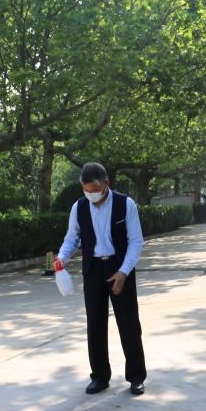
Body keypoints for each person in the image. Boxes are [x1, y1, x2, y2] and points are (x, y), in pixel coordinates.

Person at [55, 162, 147, 396]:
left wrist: (124, 272)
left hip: (120, 267)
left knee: (129, 323)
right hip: (93, 269)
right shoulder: (79, 207)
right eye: (86, 190)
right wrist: (61, 257)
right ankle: (99, 376)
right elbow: (72, 238)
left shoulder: (125, 204)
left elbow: (136, 241)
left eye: (94, 190)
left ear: (106, 183)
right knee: (95, 324)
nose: (90, 194)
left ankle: (136, 376)